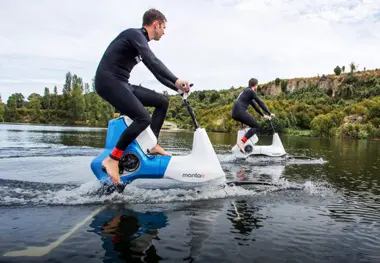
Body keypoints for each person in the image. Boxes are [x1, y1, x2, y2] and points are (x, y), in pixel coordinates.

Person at [94, 8, 191, 184]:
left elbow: (157, 73)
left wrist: (177, 89)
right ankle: (113, 159)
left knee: (162, 101)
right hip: (108, 82)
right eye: (164, 27)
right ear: (156, 23)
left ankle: (151, 145)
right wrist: (177, 80)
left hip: (122, 83)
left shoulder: (140, 43)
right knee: (143, 118)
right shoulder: (134, 35)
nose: (164, 32)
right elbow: (154, 61)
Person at [232, 78, 275, 153]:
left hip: (235, 113)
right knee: (256, 126)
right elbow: (260, 102)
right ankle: (242, 142)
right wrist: (269, 113)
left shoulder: (246, 92)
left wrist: (263, 115)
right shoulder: (251, 91)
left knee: (251, 125)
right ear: (256, 86)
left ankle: (241, 145)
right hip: (240, 112)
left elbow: (255, 106)